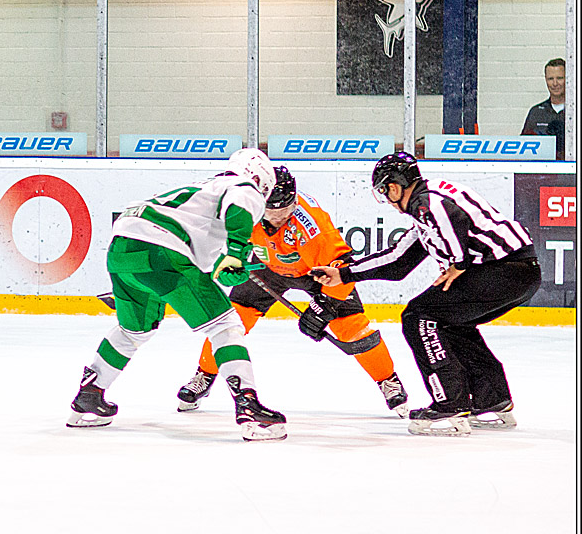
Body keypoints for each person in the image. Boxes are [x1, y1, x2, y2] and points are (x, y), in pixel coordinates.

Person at [311, 151, 541, 436]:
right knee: (450, 321)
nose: (387, 199)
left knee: (418, 316)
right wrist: (344, 274)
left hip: (502, 271)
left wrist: (458, 262)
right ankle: (491, 399)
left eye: (385, 191)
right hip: (520, 272)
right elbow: (398, 262)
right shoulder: (425, 209)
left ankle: (450, 404)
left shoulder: (428, 201)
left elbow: (450, 215)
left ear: (394, 186)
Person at [68, 148, 288, 441]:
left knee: (134, 330)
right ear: (261, 179)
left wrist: (227, 265)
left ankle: (89, 396)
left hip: (122, 249)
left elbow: (196, 265)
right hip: (162, 250)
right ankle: (248, 405)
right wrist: (236, 251)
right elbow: (239, 208)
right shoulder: (242, 187)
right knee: (226, 326)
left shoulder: (204, 192)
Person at [175, 165, 409, 417]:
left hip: (317, 273)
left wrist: (324, 308)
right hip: (265, 268)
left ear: (294, 201)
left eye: (285, 210)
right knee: (231, 321)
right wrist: (237, 259)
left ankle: (388, 380)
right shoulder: (245, 207)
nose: (277, 217)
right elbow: (223, 238)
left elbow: (342, 267)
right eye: (271, 211)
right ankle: (204, 374)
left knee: (351, 327)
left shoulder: (313, 224)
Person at [521, 57, 566, 160]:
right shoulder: (536, 112)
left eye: (559, 78)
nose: (555, 83)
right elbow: (524, 148)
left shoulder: (575, 111)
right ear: (546, 80)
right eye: (550, 79)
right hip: (544, 173)